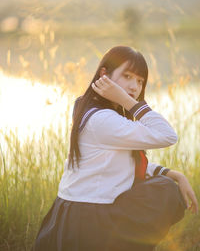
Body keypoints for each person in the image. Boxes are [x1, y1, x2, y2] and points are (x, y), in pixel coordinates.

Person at [32, 46, 198, 251]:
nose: (134, 87)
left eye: (140, 81)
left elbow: (118, 162)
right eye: (127, 76)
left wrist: (173, 173)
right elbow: (167, 135)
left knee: (164, 183)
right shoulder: (102, 119)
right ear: (104, 74)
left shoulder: (94, 109)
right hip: (86, 219)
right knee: (165, 191)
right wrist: (129, 102)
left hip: (80, 212)